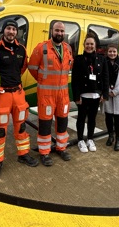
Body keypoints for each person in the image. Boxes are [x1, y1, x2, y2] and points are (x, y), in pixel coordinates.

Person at [0, 19, 38, 179]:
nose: (11, 32)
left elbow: (22, 68)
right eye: (8, 29)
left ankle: (23, 154)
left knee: (21, 127)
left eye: (14, 29)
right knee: (0, 130)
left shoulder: (21, 49)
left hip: (19, 94)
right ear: (4, 31)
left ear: (16, 32)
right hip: (2, 96)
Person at [28, 21, 73, 166]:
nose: (59, 33)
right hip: (46, 95)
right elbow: (33, 68)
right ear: (51, 31)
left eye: (62, 31)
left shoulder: (67, 48)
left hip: (63, 95)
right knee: (45, 125)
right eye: (57, 30)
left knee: (62, 123)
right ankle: (44, 152)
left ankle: (61, 148)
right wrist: (43, 81)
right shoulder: (41, 48)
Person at [71, 33, 109, 153]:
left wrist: (104, 93)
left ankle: (90, 139)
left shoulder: (102, 59)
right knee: (81, 118)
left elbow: (105, 77)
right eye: (87, 44)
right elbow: (75, 80)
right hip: (83, 95)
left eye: (91, 44)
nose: (89, 46)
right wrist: (76, 96)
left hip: (96, 94)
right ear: (84, 45)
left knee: (92, 118)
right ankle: (80, 140)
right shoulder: (78, 59)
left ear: (95, 45)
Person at [103, 44, 119, 151]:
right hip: (108, 94)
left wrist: (115, 91)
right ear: (107, 52)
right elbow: (102, 78)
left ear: (117, 52)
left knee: (118, 118)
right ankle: (110, 136)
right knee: (108, 117)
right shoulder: (104, 63)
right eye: (110, 51)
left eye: (114, 51)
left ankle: (118, 139)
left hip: (118, 95)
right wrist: (108, 91)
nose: (112, 53)